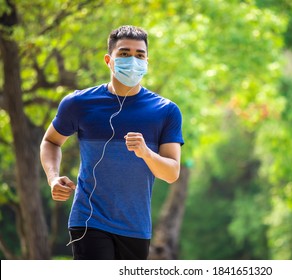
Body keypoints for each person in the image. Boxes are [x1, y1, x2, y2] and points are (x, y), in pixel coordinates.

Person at [40, 25, 184, 260]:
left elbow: (171, 173)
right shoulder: (79, 103)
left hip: (136, 226)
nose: (133, 61)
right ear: (109, 60)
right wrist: (53, 177)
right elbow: (50, 141)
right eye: (124, 54)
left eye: (140, 55)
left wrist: (147, 153)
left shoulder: (165, 111)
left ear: (147, 61)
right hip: (89, 220)